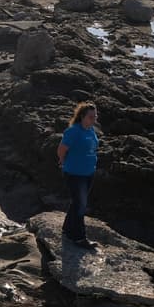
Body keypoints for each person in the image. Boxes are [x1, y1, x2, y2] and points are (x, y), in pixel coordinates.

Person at [57, 102, 99, 249]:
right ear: (82, 117)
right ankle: (79, 238)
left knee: (77, 203)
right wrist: (63, 162)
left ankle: (67, 229)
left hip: (89, 173)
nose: (94, 119)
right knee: (81, 205)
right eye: (90, 117)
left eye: (95, 116)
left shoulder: (90, 130)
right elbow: (61, 150)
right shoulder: (73, 131)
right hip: (75, 174)